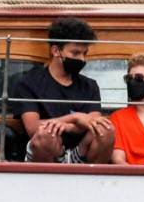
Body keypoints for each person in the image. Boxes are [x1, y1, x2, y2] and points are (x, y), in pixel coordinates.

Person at [13, 18, 114, 164]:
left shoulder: (90, 85)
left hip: (80, 150)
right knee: (46, 133)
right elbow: (33, 128)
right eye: (75, 53)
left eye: (84, 53)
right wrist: (74, 118)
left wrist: (65, 125)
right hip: (46, 148)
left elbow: (94, 123)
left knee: (106, 130)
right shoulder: (28, 83)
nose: (81, 59)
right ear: (55, 51)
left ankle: (92, 180)